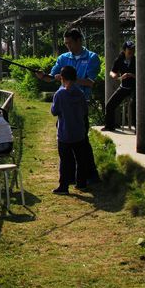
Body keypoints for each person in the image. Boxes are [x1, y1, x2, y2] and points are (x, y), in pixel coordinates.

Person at [35, 27, 100, 182]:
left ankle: (89, 175)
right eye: (65, 43)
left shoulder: (92, 58)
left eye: (70, 42)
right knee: (65, 142)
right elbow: (52, 77)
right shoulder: (63, 58)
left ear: (79, 40)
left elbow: (90, 82)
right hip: (64, 106)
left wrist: (68, 79)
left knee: (82, 141)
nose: (68, 46)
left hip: (80, 104)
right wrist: (43, 76)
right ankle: (70, 177)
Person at [51, 66, 89, 194]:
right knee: (81, 159)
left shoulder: (60, 94)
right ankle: (81, 183)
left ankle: (64, 186)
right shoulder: (80, 93)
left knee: (65, 161)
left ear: (62, 78)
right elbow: (85, 111)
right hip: (79, 132)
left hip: (64, 133)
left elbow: (54, 111)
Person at [102, 40, 136, 131]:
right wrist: (116, 76)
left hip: (135, 88)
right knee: (109, 105)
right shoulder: (119, 60)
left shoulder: (136, 60)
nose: (131, 53)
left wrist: (131, 75)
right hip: (124, 87)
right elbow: (112, 72)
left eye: (133, 51)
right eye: (129, 51)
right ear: (124, 51)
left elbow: (142, 75)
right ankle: (109, 126)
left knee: (135, 105)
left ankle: (138, 127)